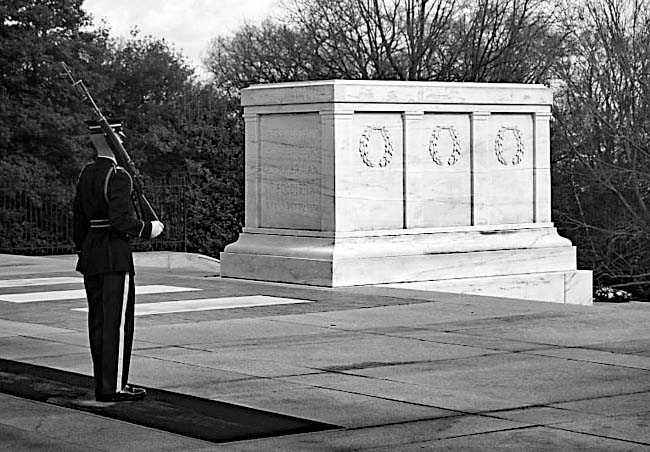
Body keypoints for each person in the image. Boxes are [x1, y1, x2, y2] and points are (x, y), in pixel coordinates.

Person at [73, 122, 164, 402]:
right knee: (117, 324)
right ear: (115, 140)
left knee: (98, 323)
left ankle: (104, 384)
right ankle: (115, 387)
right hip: (114, 257)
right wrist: (148, 228)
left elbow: (79, 221)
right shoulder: (119, 175)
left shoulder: (87, 173)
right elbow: (120, 221)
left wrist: (83, 250)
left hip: (91, 256)